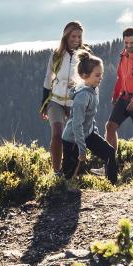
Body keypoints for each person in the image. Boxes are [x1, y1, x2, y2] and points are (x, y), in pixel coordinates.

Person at [41, 21, 91, 174]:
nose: (76, 39)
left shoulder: (85, 55)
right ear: (66, 36)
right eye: (73, 36)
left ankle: (72, 171)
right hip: (55, 101)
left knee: (75, 137)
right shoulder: (56, 55)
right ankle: (57, 172)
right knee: (57, 134)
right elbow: (48, 78)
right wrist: (44, 103)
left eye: (79, 36)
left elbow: (90, 79)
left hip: (75, 101)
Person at [61, 52, 119, 183]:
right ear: (84, 76)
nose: (100, 78)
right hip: (72, 139)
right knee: (69, 175)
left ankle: (113, 185)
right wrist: (82, 149)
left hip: (87, 134)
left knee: (109, 153)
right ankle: (62, 189)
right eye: (97, 75)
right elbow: (77, 125)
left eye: (101, 75)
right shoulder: (82, 97)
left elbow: (90, 116)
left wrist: (94, 131)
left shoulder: (94, 89)